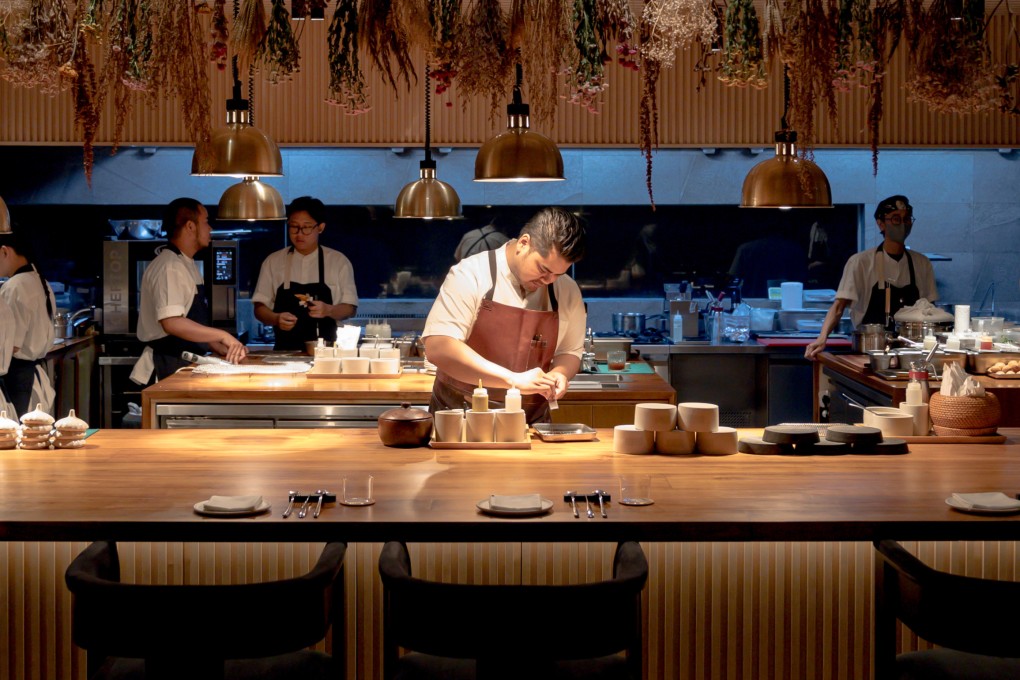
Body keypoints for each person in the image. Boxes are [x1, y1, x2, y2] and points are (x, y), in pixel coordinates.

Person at [423, 207, 587, 424]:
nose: (549, 280)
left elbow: (570, 351)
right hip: (458, 418)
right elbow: (439, 347)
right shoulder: (470, 274)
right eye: (543, 269)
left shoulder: (566, 290)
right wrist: (513, 380)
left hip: (530, 424)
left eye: (558, 274)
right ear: (523, 244)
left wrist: (561, 373)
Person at [805, 195, 938, 359]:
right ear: (881, 223)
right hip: (869, 352)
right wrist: (822, 337)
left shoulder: (922, 263)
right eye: (896, 219)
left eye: (907, 219)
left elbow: (931, 311)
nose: (902, 224)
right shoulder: (860, 262)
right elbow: (839, 307)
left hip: (911, 354)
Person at [131, 198, 247, 383]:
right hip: (168, 365)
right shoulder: (170, 267)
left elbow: (190, 320)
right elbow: (172, 323)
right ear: (191, 226)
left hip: (183, 361)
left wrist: (215, 345)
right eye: (206, 222)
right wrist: (223, 335)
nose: (210, 229)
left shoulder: (186, 264)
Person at [252, 196, 358, 351]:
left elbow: (350, 308)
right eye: (294, 227)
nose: (299, 234)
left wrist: (328, 310)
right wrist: (276, 318)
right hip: (284, 353)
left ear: (320, 227)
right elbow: (259, 308)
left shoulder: (338, 261)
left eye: (306, 227)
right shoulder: (273, 261)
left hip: (327, 354)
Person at [0, 227, 57, 416]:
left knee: (14, 437)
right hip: (33, 372)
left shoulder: (15, 286)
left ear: (4, 251)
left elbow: (10, 345)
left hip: (16, 377)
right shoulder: (40, 281)